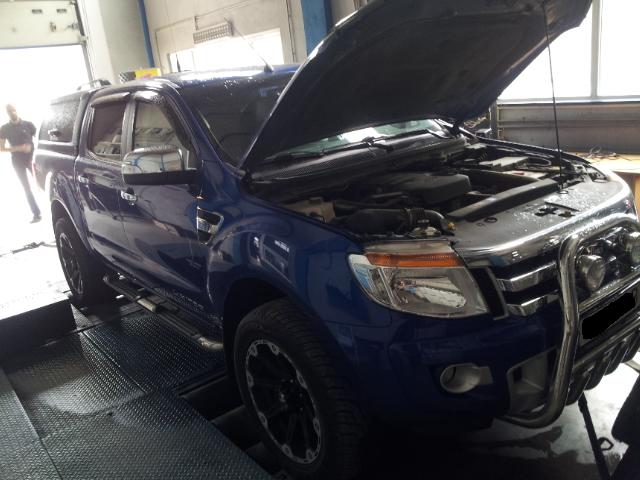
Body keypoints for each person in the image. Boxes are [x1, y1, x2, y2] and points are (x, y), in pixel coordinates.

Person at [0, 104, 41, 223]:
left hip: (31, 159)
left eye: (13, 110)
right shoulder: (4, 129)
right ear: (7, 113)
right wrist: (18, 148)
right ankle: (36, 214)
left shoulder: (29, 125)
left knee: (41, 182)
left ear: (16, 110)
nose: (12, 112)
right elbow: (1, 148)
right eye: (9, 111)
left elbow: (39, 139)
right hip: (17, 161)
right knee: (26, 187)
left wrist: (32, 148)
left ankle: (53, 207)